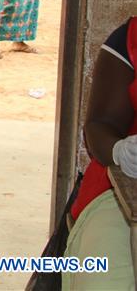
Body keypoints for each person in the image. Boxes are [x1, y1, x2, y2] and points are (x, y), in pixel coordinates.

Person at [62, 17, 137, 290]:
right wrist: (120, 152)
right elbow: (99, 126)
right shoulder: (131, 40)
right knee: (103, 281)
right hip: (120, 195)